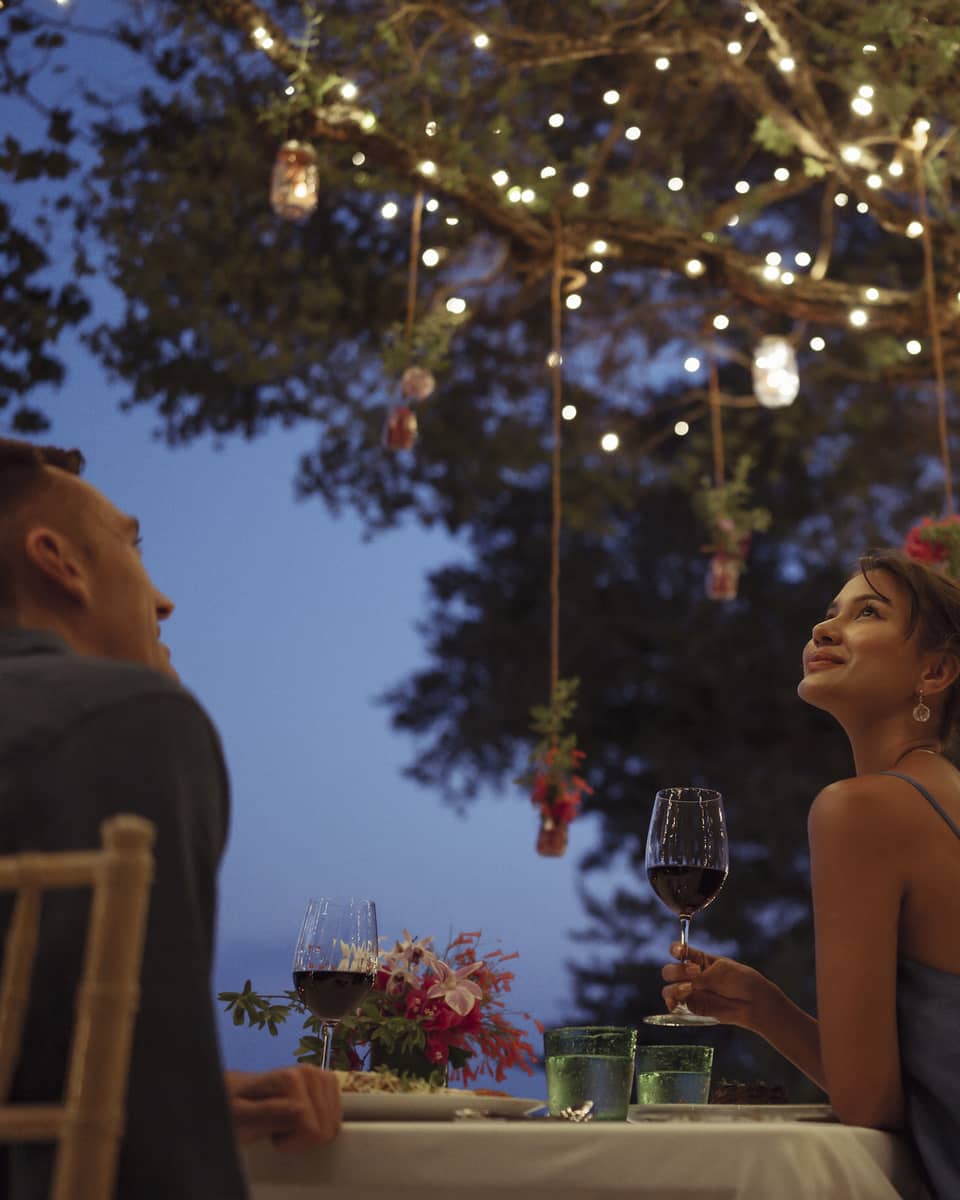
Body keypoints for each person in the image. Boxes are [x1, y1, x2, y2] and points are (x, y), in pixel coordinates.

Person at [0, 438, 341, 1199]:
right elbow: (162, 1158)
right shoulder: (123, 719)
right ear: (58, 561)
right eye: (133, 546)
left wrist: (191, 1089)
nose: (163, 601)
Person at [660, 548, 960, 1199]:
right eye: (830, 613)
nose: (825, 629)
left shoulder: (860, 811)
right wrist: (766, 1008)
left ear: (935, 671)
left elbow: (868, 1105)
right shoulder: (940, 800)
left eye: (868, 612)